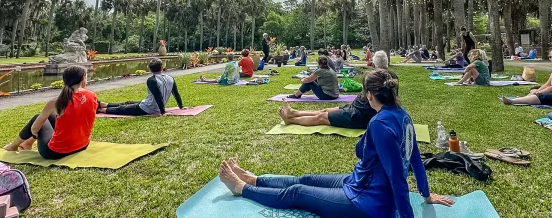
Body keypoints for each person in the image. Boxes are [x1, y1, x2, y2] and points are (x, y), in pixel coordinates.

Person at [219, 69, 454, 218]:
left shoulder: (380, 124)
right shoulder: (403, 115)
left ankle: (242, 188)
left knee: (297, 192)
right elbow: (416, 159)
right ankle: (254, 179)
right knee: (307, 179)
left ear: (369, 95)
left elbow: (397, 179)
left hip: (368, 202)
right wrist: (426, 194)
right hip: (359, 181)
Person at [279, 51, 396, 129]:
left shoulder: (375, 77)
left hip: (359, 115)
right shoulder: (391, 77)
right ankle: (293, 113)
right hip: (355, 108)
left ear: (374, 63)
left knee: (321, 117)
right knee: (324, 110)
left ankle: (291, 120)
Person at [3, 66, 96, 159]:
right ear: (83, 78)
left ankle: (13, 146)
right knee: (50, 117)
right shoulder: (92, 95)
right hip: (82, 145)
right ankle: (27, 143)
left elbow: (34, 128)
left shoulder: (56, 102)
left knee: (37, 117)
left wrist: (35, 134)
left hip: (54, 152)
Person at [98, 59, 185, 116]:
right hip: (150, 105)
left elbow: (158, 96)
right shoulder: (170, 78)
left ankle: (100, 109)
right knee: (127, 102)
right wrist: (181, 106)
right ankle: (102, 104)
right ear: (162, 68)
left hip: (148, 108)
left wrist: (163, 112)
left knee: (122, 109)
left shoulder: (152, 80)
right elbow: (175, 93)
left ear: (150, 69)